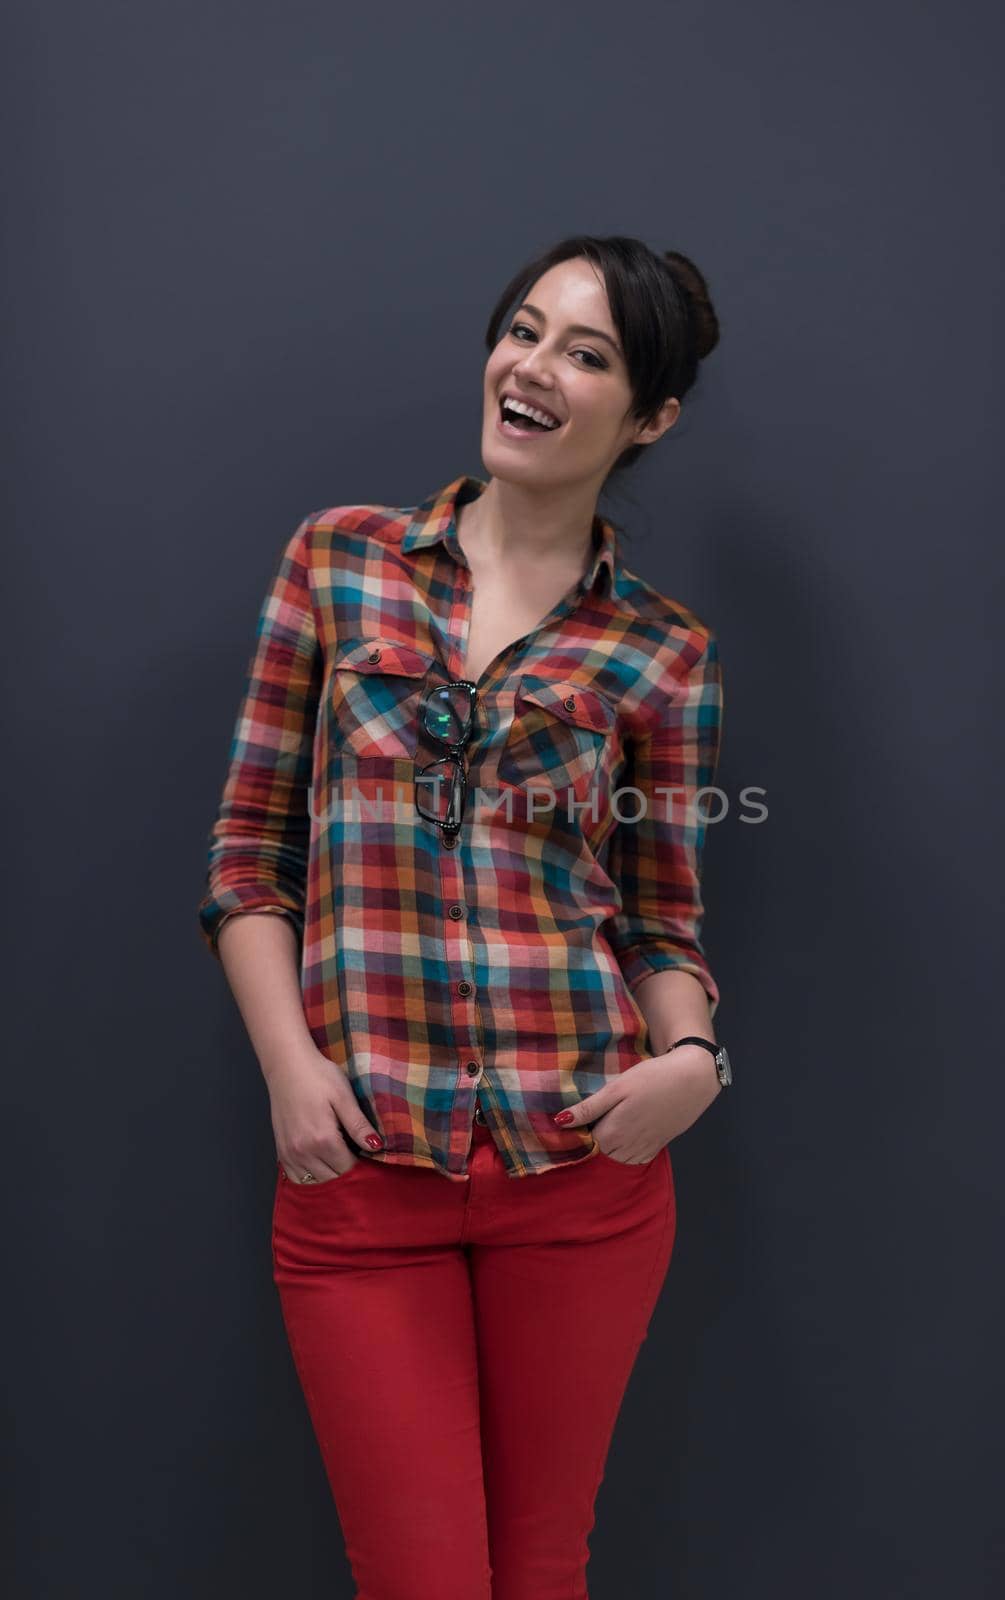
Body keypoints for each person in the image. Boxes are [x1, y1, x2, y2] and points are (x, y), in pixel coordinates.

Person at [196, 232, 732, 1600]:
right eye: (524, 329)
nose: (533, 367)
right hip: (361, 1166)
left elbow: (664, 919)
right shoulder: (340, 563)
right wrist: (291, 1072)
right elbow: (252, 851)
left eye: (589, 354)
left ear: (652, 416)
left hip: (585, 1173)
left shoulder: (661, 653)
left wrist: (690, 1066)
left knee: (544, 1569)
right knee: (424, 1580)